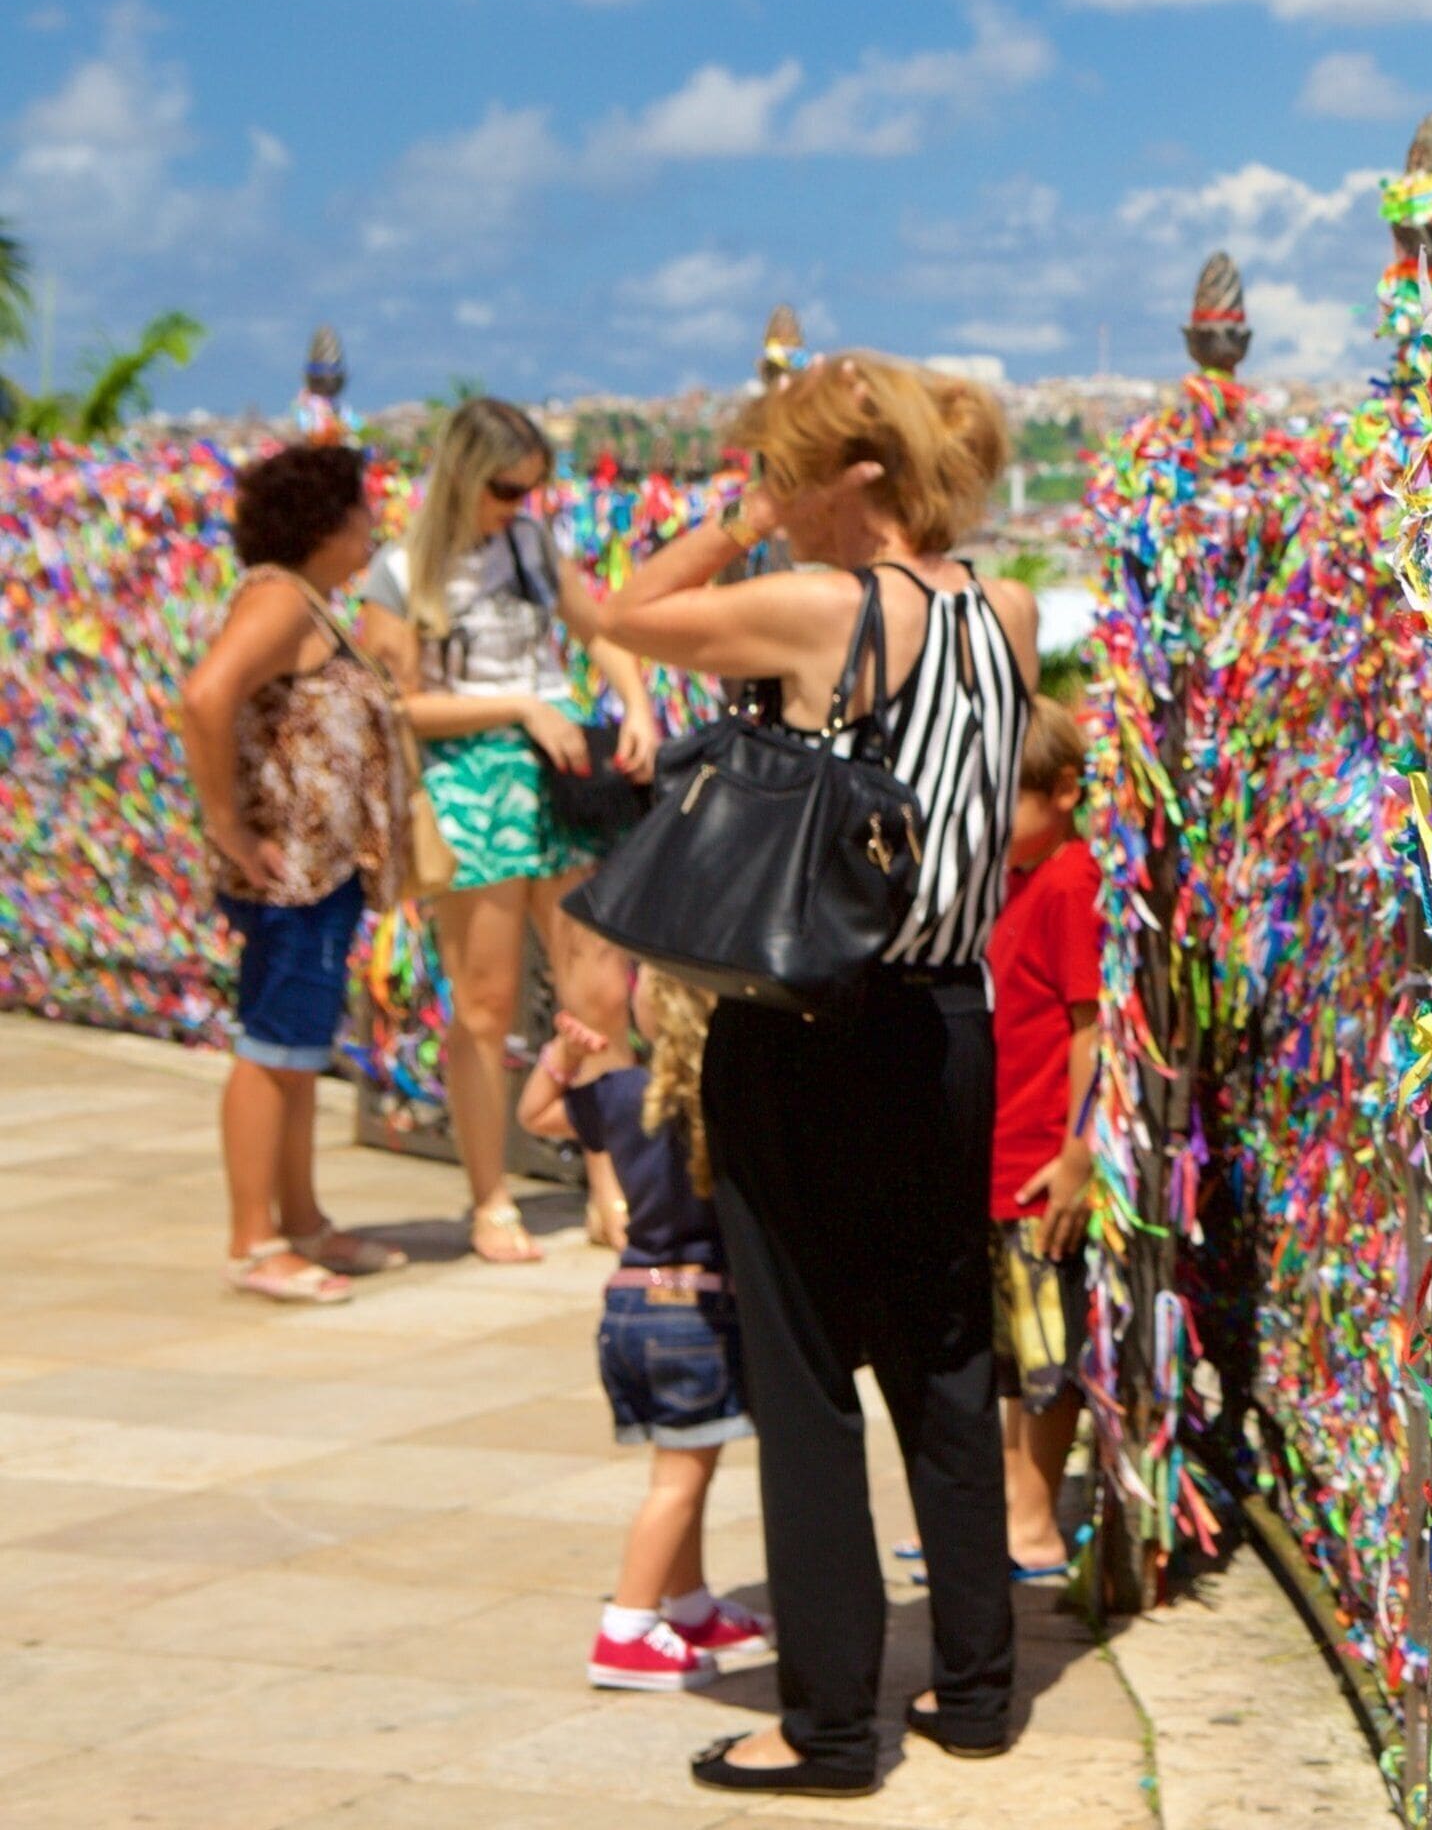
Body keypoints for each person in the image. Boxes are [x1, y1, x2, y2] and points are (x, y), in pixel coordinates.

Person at [595, 351, 1037, 1798]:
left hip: (807, 1029)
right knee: (944, 1358)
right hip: (946, 1020)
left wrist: (733, 511)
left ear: (852, 480)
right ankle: (974, 1691)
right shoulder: (1006, 611)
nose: (772, 501)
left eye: (787, 472)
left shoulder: (822, 609)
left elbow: (619, 616)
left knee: (801, 1377)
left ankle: (828, 1723)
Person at [358, 396, 659, 1265]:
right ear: (461, 476)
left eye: (528, 488)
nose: (516, 504)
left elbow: (601, 629)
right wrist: (523, 706)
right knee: (483, 1002)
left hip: (559, 780)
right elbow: (403, 705)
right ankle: (489, 1195)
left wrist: (634, 703)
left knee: (596, 996)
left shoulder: (533, 546)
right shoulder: (403, 570)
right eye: (502, 487)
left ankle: (611, 1185)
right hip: (473, 785)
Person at [175, 441, 410, 1303]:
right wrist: (227, 825)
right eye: (359, 512)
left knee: (299, 1048)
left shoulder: (309, 602)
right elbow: (206, 697)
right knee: (270, 1046)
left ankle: (301, 1218)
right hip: (290, 873)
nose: (370, 528)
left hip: (322, 871)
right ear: (324, 520)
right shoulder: (278, 600)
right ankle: (255, 1237)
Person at [514, 959, 770, 1689]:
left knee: (687, 1460)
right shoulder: (723, 1101)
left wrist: (558, 1061)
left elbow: (535, 1115)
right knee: (679, 1481)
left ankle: (687, 1606)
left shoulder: (625, 1094)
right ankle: (626, 1628)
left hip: (626, 1305)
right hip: (691, 1312)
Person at [986, 694, 1100, 1578]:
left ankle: (1033, 1520)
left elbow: (1088, 1027)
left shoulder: (1070, 881)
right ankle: (1003, 1506)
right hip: (992, 1165)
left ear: (1063, 790)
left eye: (1007, 798)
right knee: (1005, 1358)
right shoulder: (1015, 879)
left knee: (1045, 1357)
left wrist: (1077, 1150)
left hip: (1037, 1167)